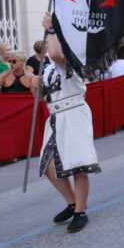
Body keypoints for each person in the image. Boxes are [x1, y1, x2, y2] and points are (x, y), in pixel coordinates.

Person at [30, 12, 101, 233]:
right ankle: (72, 203)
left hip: (74, 114)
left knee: (78, 165)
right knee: (49, 165)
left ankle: (80, 211)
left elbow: (55, 53)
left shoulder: (73, 60)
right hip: (55, 118)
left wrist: (51, 28)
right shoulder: (50, 69)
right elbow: (39, 98)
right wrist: (34, 84)